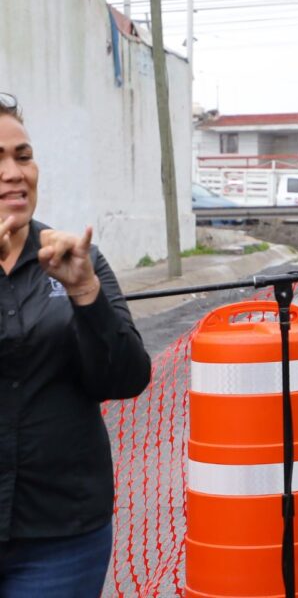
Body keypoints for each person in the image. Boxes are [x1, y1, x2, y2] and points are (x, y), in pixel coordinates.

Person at [0, 94, 152, 596]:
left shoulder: (74, 259)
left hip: (60, 536)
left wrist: (84, 292)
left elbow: (127, 378)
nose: (14, 172)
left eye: (23, 156)